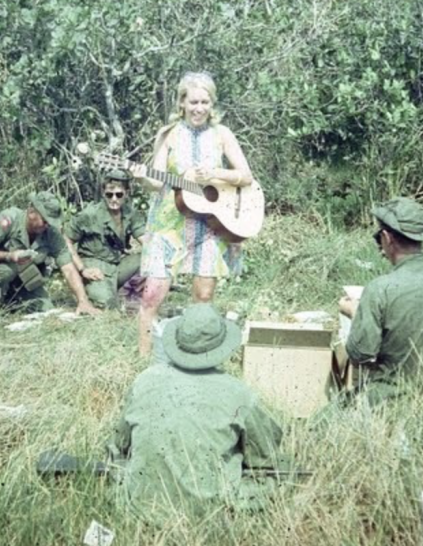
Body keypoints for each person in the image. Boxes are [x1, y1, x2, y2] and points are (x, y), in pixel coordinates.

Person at [108, 303, 285, 518]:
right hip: (210, 512)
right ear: (222, 347)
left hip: (142, 506)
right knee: (273, 477)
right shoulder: (240, 393)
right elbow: (264, 456)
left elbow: (119, 445)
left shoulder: (145, 379)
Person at [132, 72, 255, 355]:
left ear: (212, 104)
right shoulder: (169, 135)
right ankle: (143, 358)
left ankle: (199, 357)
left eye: (205, 102)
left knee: (204, 295)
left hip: (210, 224)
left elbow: (245, 176)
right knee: (151, 296)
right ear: (182, 104)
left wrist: (215, 173)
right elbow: (156, 181)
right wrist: (141, 177)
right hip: (169, 224)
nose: (199, 108)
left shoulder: (222, 134)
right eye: (193, 102)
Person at [339, 197, 423, 405]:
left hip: (392, 399)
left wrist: (355, 312)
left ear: (387, 238)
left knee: (318, 419)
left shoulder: (379, 288)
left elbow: (360, 354)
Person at [0, 191, 100, 315]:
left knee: (46, 308)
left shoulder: (51, 232)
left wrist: (83, 301)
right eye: (45, 221)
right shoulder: (10, 219)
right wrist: (8, 256)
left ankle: (10, 302)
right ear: (31, 212)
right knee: (9, 270)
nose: (47, 226)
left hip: (26, 279)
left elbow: (68, 268)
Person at [63, 169, 147, 309]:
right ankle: (96, 291)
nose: (114, 199)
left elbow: (145, 240)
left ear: (126, 193)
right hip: (95, 265)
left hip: (117, 264)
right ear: (103, 193)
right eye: (109, 194)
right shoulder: (89, 214)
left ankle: (127, 294)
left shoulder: (130, 213)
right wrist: (82, 269)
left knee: (149, 259)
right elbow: (66, 240)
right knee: (106, 304)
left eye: (119, 194)